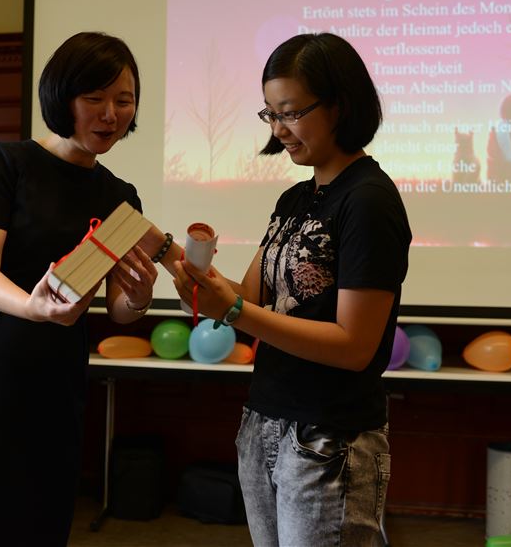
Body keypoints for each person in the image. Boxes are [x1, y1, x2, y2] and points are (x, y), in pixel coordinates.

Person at [0, 31, 158, 547]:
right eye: (95, 98)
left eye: (124, 100)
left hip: (57, 369)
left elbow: (120, 310)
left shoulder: (120, 197)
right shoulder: (4, 162)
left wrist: (140, 295)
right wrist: (32, 306)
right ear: (62, 98)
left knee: (38, 512)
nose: (111, 114)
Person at [156, 33, 412, 546]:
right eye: (270, 114)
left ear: (340, 106)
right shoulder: (295, 198)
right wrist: (171, 259)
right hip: (266, 421)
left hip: (330, 437)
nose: (278, 130)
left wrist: (233, 310)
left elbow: (354, 346)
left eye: (291, 113)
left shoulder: (368, 200)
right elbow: (251, 298)